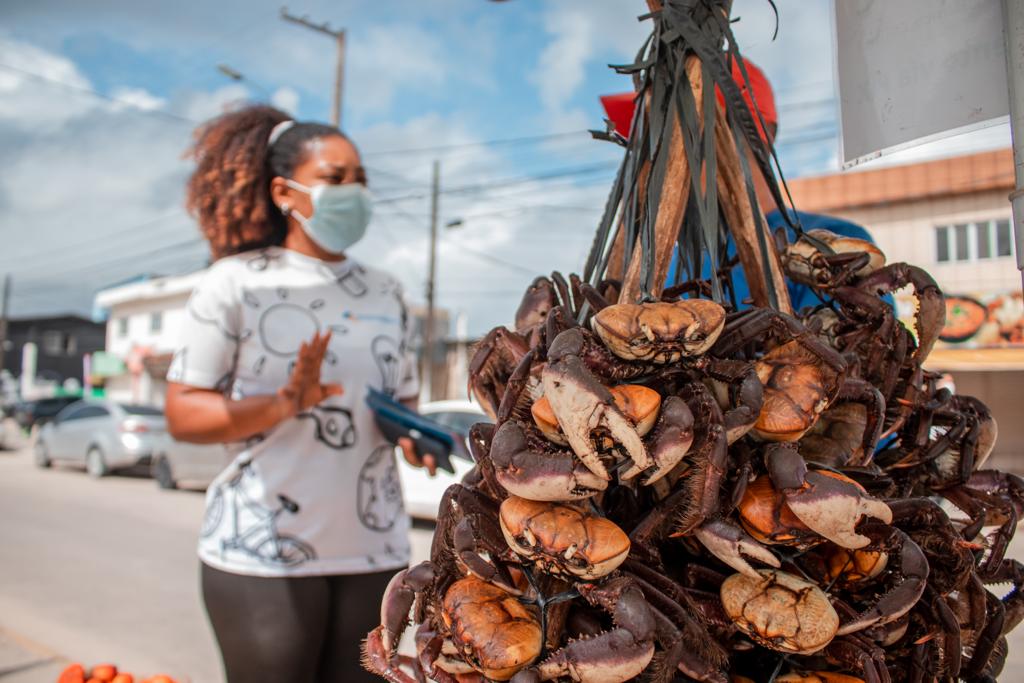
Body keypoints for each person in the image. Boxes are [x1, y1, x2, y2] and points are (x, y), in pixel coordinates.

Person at [164, 104, 434, 683]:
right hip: (264, 553)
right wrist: (285, 403)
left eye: (360, 179)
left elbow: (401, 404)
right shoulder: (234, 282)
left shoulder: (386, 291)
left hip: (376, 551)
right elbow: (184, 413)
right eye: (335, 179)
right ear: (285, 192)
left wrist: (414, 436)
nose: (353, 192)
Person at [606, 58, 887, 310]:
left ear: (745, 135)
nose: (656, 165)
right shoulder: (665, 268)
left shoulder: (834, 251)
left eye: (677, 139)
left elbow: (836, 363)